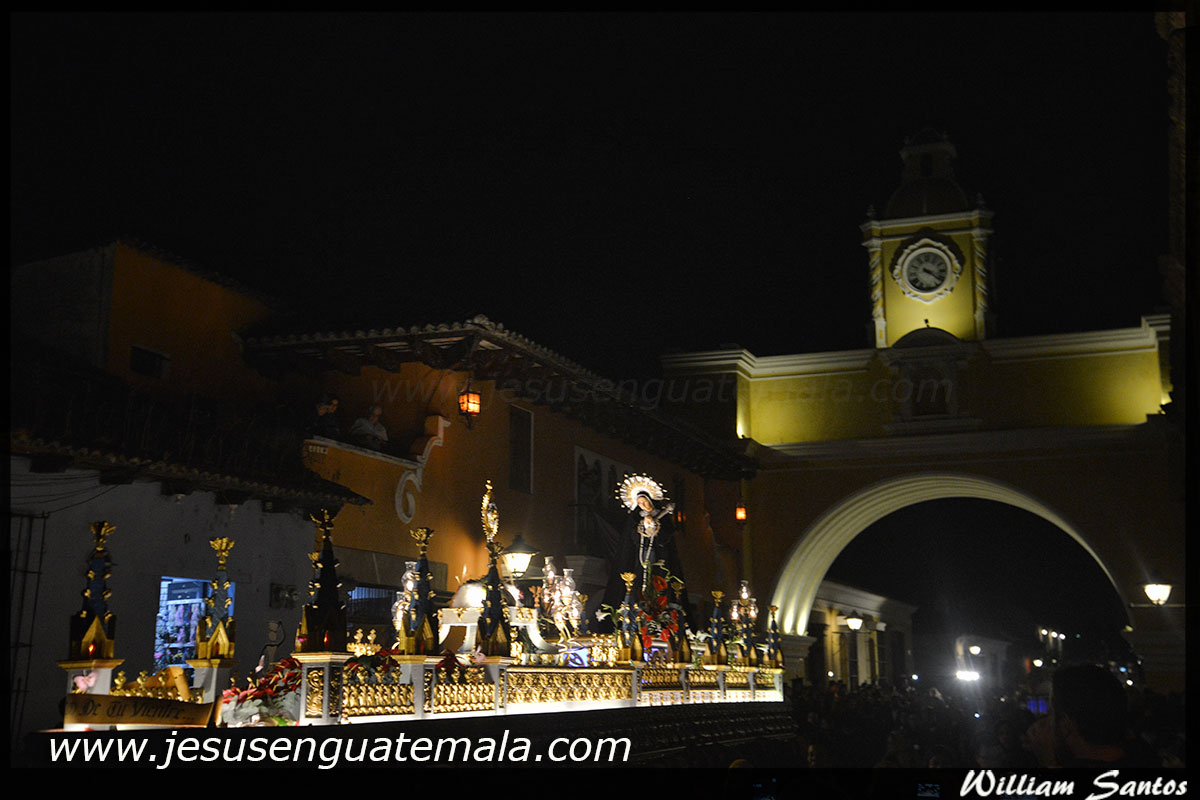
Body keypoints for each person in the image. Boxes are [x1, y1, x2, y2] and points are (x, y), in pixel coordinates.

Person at [1025, 664, 1159, 767]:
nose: (1048, 722)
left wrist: (1047, 761)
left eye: (1052, 714)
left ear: (1065, 722)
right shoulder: (1145, 755)